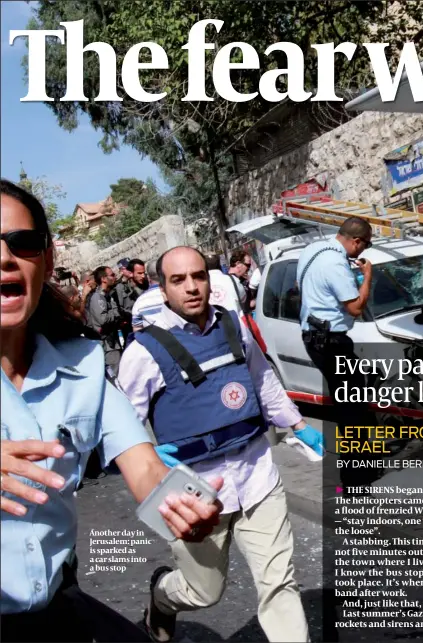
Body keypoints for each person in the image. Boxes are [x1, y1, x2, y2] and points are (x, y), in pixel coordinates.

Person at [0, 179, 222, 642]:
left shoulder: (82, 365)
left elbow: (142, 463)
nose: (5, 257)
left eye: (21, 243)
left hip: (55, 606)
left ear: (46, 259)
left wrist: (178, 504)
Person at [118, 246, 323, 643]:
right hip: (195, 493)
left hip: (258, 476)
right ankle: (162, 597)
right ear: (162, 289)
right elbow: (122, 422)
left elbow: (261, 379)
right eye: (179, 280)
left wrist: (296, 424)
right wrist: (144, 453)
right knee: (204, 591)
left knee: (279, 584)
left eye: (199, 276)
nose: (192, 287)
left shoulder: (234, 325)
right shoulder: (143, 352)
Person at [296, 216, 379, 491]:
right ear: (356, 241)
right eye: (365, 245)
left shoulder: (313, 250)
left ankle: (362, 467)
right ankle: (356, 480)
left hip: (315, 337)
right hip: (330, 342)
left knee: (350, 407)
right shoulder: (335, 263)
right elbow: (355, 307)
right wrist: (367, 276)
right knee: (352, 411)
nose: (364, 251)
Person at [88, 265, 125, 377]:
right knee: (116, 375)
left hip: (114, 341)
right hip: (108, 345)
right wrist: (116, 312)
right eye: (112, 275)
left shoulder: (108, 295)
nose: (115, 277)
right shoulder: (97, 297)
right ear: (104, 279)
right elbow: (103, 319)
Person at [131, 260, 164, 331]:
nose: (142, 276)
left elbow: (137, 332)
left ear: (148, 277)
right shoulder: (176, 293)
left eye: (144, 273)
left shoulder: (139, 303)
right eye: (139, 273)